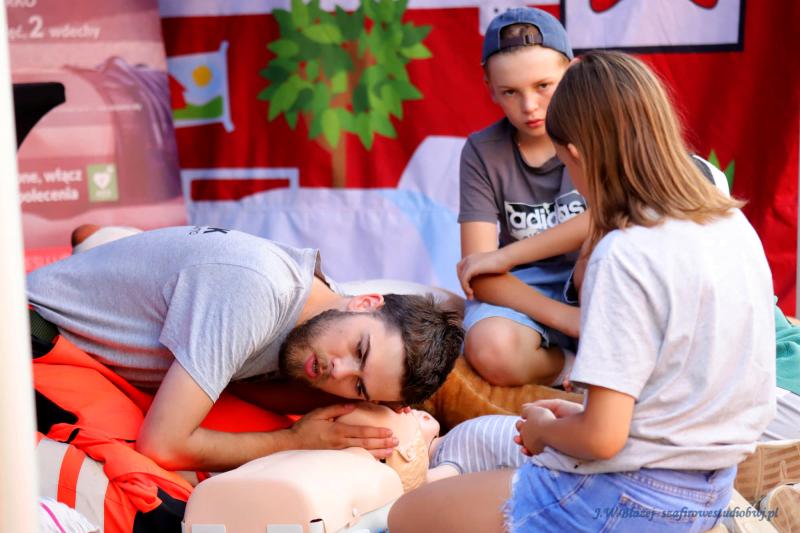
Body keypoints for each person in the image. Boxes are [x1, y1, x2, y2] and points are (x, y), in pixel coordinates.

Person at [388, 51, 776, 532]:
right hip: (711, 485)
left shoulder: (625, 252)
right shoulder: (728, 219)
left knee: (407, 515)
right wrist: (573, 415)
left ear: (573, 153)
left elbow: (601, 439)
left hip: (632, 496)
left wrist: (546, 431)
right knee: (479, 442)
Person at [26, 225, 463, 472]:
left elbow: (247, 383)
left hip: (85, 360)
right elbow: (161, 446)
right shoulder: (254, 293)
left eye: (359, 385)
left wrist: (377, 407)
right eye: (360, 350)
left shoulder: (319, 310)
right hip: (30, 341)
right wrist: (294, 441)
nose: (339, 369)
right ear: (366, 302)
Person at [458, 7, 587, 388]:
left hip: (598, 276)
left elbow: (611, 216)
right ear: (490, 88)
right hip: (526, 291)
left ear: (573, 74)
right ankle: (571, 368)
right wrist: (567, 320)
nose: (529, 106)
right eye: (510, 92)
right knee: (491, 348)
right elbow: (479, 273)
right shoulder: (483, 151)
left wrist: (507, 255)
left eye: (543, 85)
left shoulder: (600, 129)